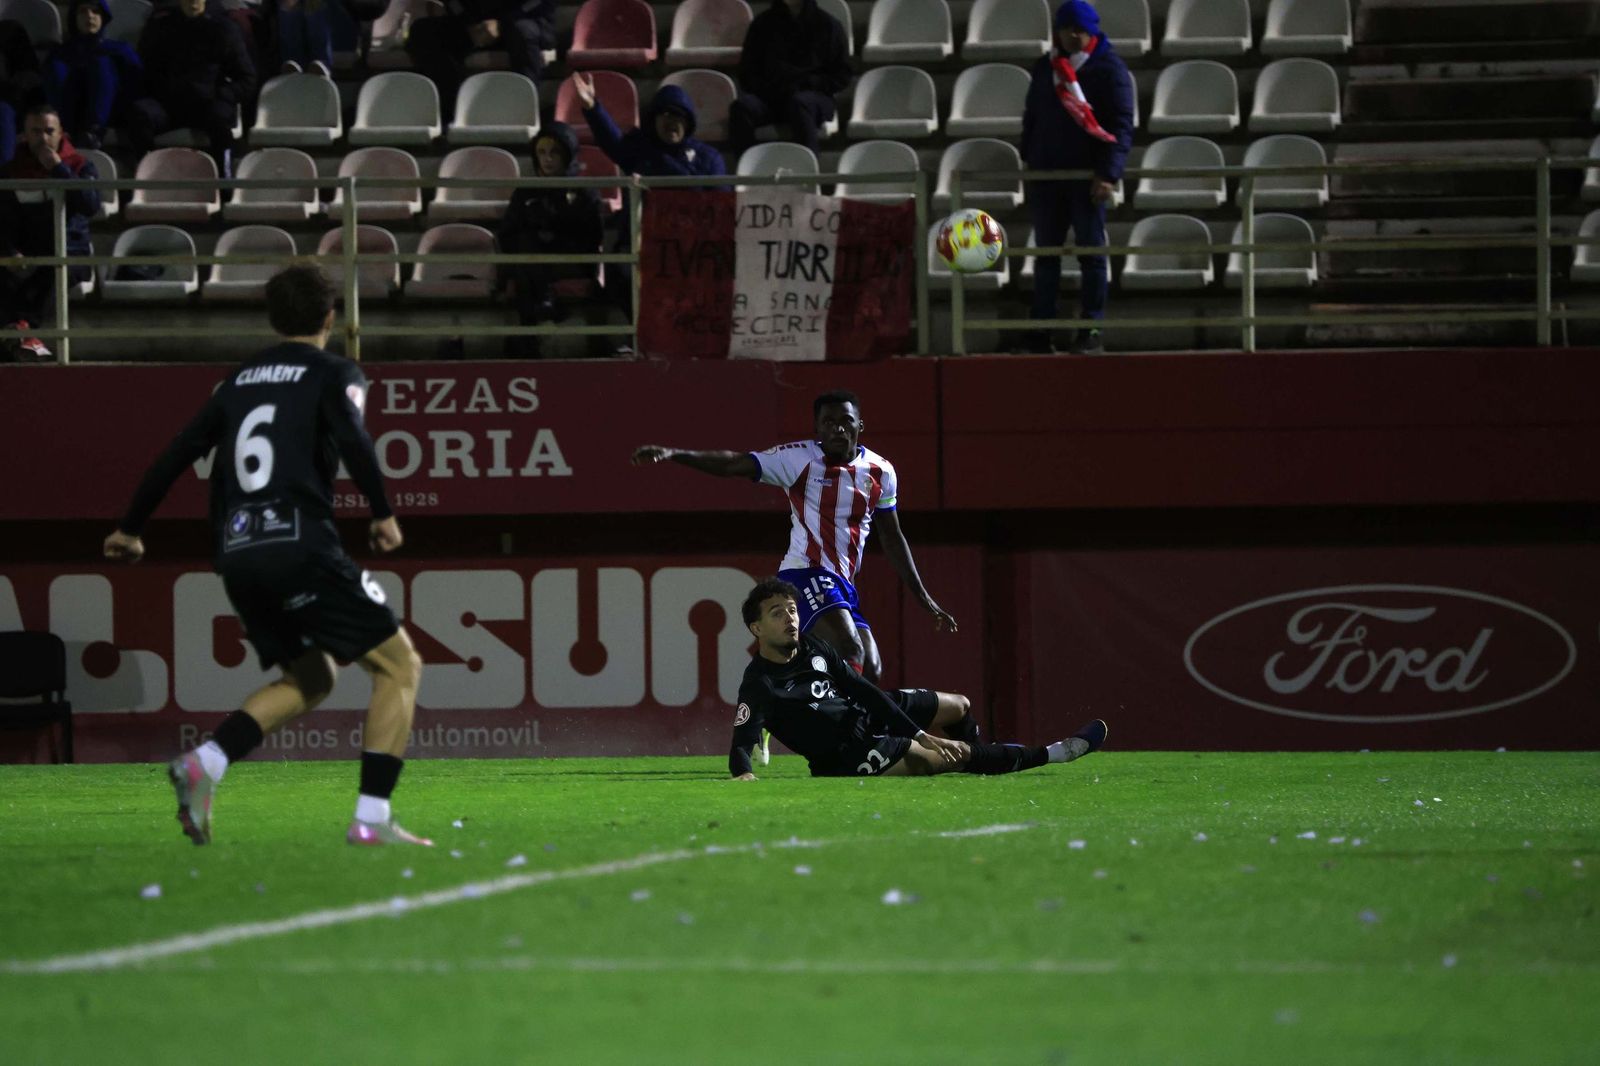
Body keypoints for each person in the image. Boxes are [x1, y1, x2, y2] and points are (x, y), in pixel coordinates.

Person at [103, 265, 431, 848]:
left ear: (272, 320)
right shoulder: (336, 371)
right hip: (298, 541)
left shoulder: (235, 383)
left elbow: (177, 453)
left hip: (238, 552)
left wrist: (130, 528)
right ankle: (372, 819)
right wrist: (383, 511)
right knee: (399, 666)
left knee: (310, 677)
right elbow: (354, 435)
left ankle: (207, 761)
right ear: (332, 318)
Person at [632, 389, 953, 684]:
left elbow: (893, 537)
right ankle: (838, 733)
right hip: (806, 572)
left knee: (871, 670)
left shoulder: (881, 471)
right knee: (850, 650)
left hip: (843, 584)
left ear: (860, 426)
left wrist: (923, 597)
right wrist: (675, 453)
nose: (838, 429)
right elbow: (735, 463)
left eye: (846, 421)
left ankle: (788, 702)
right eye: (828, 423)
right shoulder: (798, 460)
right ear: (817, 430)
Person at [730, 578, 1107, 779]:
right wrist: (744, 774)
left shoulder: (813, 647)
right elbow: (741, 745)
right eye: (778, 613)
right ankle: (1054, 754)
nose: (790, 619)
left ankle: (983, 762)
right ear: (756, 628)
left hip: (864, 714)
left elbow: (863, 689)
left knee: (960, 706)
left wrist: (915, 729)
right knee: (951, 758)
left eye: (793, 611)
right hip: (847, 755)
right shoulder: (760, 683)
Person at [1019, 0, 1134, 356]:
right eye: (1066, 29)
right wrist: (1029, 154)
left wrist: (1108, 174)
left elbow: (1120, 126)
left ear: (1092, 31)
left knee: (1091, 255)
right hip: (1047, 178)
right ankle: (1042, 329)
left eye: (1079, 30)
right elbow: (1032, 114)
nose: (1072, 35)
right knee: (1047, 255)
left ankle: (1091, 328)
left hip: (1087, 179)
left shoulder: (1109, 70)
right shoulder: (1045, 67)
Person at [572, 73, 726, 332]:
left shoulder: (707, 158)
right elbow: (612, 141)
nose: (671, 122)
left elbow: (721, 202)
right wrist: (592, 107)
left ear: (688, 122)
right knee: (619, 272)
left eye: (678, 116)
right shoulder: (640, 149)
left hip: (690, 247)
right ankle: (650, 332)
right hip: (646, 243)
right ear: (653, 120)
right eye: (664, 116)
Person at [495, 120, 604, 358]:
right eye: (542, 152)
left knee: (528, 254)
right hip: (532, 262)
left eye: (555, 152)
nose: (548, 159)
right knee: (526, 246)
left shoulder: (585, 192)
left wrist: (555, 233)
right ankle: (537, 313)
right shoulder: (526, 191)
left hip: (570, 261)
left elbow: (592, 238)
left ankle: (529, 336)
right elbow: (507, 234)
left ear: (568, 155)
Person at [0, 104, 100, 362]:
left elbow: (89, 205)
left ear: (61, 133)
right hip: (25, 253)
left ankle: (20, 334)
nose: (43, 138)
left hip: (70, 252)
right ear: (24, 135)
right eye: (35, 131)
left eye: (49, 131)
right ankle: (26, 345)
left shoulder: (80, 166)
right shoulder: (11, 172)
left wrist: (59, 170)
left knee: (52, 272)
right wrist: (10, 251)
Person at [127, 0, 258, 176]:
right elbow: (145, 72)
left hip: (207, 105)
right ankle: (146, 178)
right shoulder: (161, 28)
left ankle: (224, 183)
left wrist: (222, 95)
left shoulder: (223, 29)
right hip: (168, 107)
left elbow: (247, 78)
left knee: (219, 119)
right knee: (140, 114)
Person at [728, 0, 851, 155]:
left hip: (814, 96)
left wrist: (809, 83)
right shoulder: (762, 24)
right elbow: (747, 72)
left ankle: (809, 173)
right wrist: (771, 88)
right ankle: (747, 171)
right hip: (771, 97)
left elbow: (842, 75)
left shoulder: (829, 25)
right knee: (741, 107)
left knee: (800, 103)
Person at [406, 0, 555, 118]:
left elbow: (538, 3)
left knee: (523, 32)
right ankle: (452, 111)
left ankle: (526, 110)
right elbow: (453, 2)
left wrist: (501, 23)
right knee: (422, 31)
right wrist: (469, 22)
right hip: (476, 24)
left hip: (523, 19)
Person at [42, 0, 143, 150]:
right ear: (74, 18)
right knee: (57, 67)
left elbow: (136, 82)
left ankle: (93, 133)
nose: (90, 16)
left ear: (103, 17)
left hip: (111, 113)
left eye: (95, 11)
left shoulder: (118, 49)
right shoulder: (60, 53)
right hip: (71, 113)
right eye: (83, 11)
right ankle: (63, 132)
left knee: (101, 64)